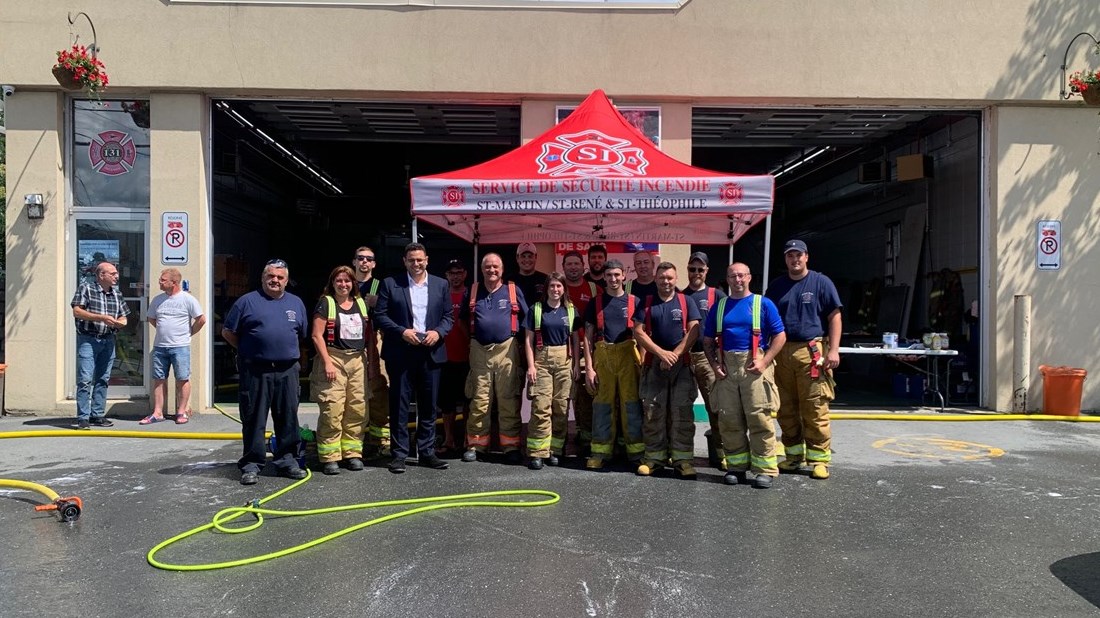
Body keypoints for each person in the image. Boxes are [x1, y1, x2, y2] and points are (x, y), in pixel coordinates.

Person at [222, 259, 309, 485]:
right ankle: (251, 464)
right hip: (256, 371)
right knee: (254, 418)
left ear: (287, 280)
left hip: (287, 370)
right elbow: (228, 332)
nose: (275, 280)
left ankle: (287, 461)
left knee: (288, 418)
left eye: (280, 277)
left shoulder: (296, 303)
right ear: (263, 278)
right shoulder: (246, 302)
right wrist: (248, 350)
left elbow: (301, 334)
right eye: (271, 276)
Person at [765, 239, 842, 480]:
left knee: (814, 406)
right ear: (785, 259)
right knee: (785, 407)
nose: (794, 259)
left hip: (811, 352)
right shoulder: (777, 287)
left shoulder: (821, 282)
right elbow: (766, 319)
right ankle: (793, 455)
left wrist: (834, 350)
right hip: (781, 352)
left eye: (798, 255)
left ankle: (819, 459)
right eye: (790, 255)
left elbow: (835, 316)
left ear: (806, 257)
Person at [704, 263, 786, 489]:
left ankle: (765, 469)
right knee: (729, 419)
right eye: (732, 276)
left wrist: (765, 361)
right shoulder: (719, 307)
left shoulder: (763, 304)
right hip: (727, 368)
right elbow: (708, 340)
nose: (737, 279)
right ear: (727, 280)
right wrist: (714, 365)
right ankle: (736, 467)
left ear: (749, 277)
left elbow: (780, 336)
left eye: (741, 275)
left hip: (755, 366)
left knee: (759, 417)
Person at [374, 242, 454, 474]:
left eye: (420, 260)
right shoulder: (391, 284)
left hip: (431, 352)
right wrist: (402, 332)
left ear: (427, 260)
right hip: (401, 352)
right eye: (411, 260)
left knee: (428, 406)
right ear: (405, 261)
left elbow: (448, 316)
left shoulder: (441, 284)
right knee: (399, 404)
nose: (416, 264)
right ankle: (399, 454)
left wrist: (437, 332)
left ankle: (427, 452)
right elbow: (380, 315)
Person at [632, 262, 701, 478]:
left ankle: (683, 460)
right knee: (653, 413)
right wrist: (662, 354)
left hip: (682, 366)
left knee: (682, 413)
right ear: (656, 279)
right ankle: (654, 458)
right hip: (654, 365)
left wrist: (675, 355)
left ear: (676, 278)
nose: (666, 281)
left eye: (670, 278)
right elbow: (638, 332)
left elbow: (694, 330)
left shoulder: (686, 301)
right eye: (662, 278)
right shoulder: (647, 303)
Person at [460, 253, 528, 464]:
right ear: (482, 270)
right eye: (488, 267)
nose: (492, 270)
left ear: (502, 269)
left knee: (508, 399)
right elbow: (463, 320)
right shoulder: (472, 291)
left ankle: (510, 446)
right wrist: (474, 340)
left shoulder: (512, 290)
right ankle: (477, 445)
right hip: (479, 350)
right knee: (480, 400)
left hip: (507, 350)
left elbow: (526, 320)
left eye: (495, 267)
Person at [583, 259, 644, 469]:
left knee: (632, 404)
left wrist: (642, 362)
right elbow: (587, 337)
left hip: (629, 356)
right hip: (603, 356)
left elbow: (643, 334)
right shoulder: (595, 303)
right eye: (609, 275)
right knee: (602, 405)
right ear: (604, 277)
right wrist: (589, 368)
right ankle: (600, 452)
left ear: (624, 276)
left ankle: (636, 452)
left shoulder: (635, 302)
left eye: (617, 275)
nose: (613, 279)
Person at [309, 265, 368, 475]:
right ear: (332, 283)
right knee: (332, 409)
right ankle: (330, 456)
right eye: (339, 281)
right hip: (334, 358)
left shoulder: (361, 303)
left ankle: (352, 453)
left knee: (357, 408)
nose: (343, 285)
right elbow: (317, 335)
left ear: (353, 283)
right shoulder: (326, 303)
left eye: (347, 281)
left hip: (358, 360)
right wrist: (326, 362)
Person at [524, 272, 580, 470]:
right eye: (552, 286)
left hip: (565, 359)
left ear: (564, 289)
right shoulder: (536, 309)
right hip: (542, 359)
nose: (555, 290)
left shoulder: (571, 311)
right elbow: (528, 340)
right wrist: (531, 366)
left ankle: (555, 449)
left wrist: (575, 365)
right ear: (546, 289)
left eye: (559, 286)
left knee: (561, 407)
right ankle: (538, 452)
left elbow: (575, 339)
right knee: (541, 406)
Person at [71, 261, 131, 430]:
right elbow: (77, 311)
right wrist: (102, 318)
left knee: (103, 378)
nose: (116, 276)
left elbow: (124, 317)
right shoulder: (86, 288)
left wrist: (120, 323)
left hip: (108, 339)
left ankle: (97, 415)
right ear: (101, 275)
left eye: (116, 273)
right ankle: (83, 417)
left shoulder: (117, 294)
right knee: (85, 379)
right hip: (88, 339)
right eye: (112, 273)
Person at [681, 251, 727, 469]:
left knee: (715, 406)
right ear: (687, 270)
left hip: (708, 359)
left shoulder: (716, 295)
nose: (696, 273)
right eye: (692, 269)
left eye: (700, 269)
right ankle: (682, 454)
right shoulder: (680, 296)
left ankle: (722, 454)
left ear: (707, 271)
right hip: (685, 358)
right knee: (682, 407)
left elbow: (725, 328)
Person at [143, 268, 206, 425]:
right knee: (159, 379)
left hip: (180, 347)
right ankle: (158, 413)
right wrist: (163, 330)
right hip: (160, 347)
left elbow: (201, 319)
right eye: (160, 279)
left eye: (163, 280)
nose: (160, 282)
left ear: (174, 282)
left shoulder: (187, 299)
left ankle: (181, 411)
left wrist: (189, 333)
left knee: (182, 379)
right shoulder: (157, 300)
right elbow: (151, 318)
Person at [352, 246, 390, 459]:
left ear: (374, 264)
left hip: (374, 340)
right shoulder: (344, 283)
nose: (364, 262)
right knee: (353, 393)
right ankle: (353, 442)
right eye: (360, 258)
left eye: (369, 259)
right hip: (347, 343)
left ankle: (380, 441)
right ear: (354, 262)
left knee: (378, 390)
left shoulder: (379, 286)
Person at [563, 250, 598, 456]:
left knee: (587, 393)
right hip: (562, 350)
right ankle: (568, 433)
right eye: (569, 264)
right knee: (566, 394)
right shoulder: (558, 287)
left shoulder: (593, 288)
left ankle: (586, 433)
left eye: (577, 264)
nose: (573, 267)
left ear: (583, 266)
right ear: (564, 267)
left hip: (588, 350)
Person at [438, 258, 470, 455]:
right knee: (447, 403)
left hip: (468, 357)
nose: (455, 276)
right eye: (452, 273)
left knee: (469, 400)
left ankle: (467, 439)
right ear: (446, 276)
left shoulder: (471, 295)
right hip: (445, 357)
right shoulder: (441, 295)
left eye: (459, 272)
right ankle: (449, 439)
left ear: (465, 274)